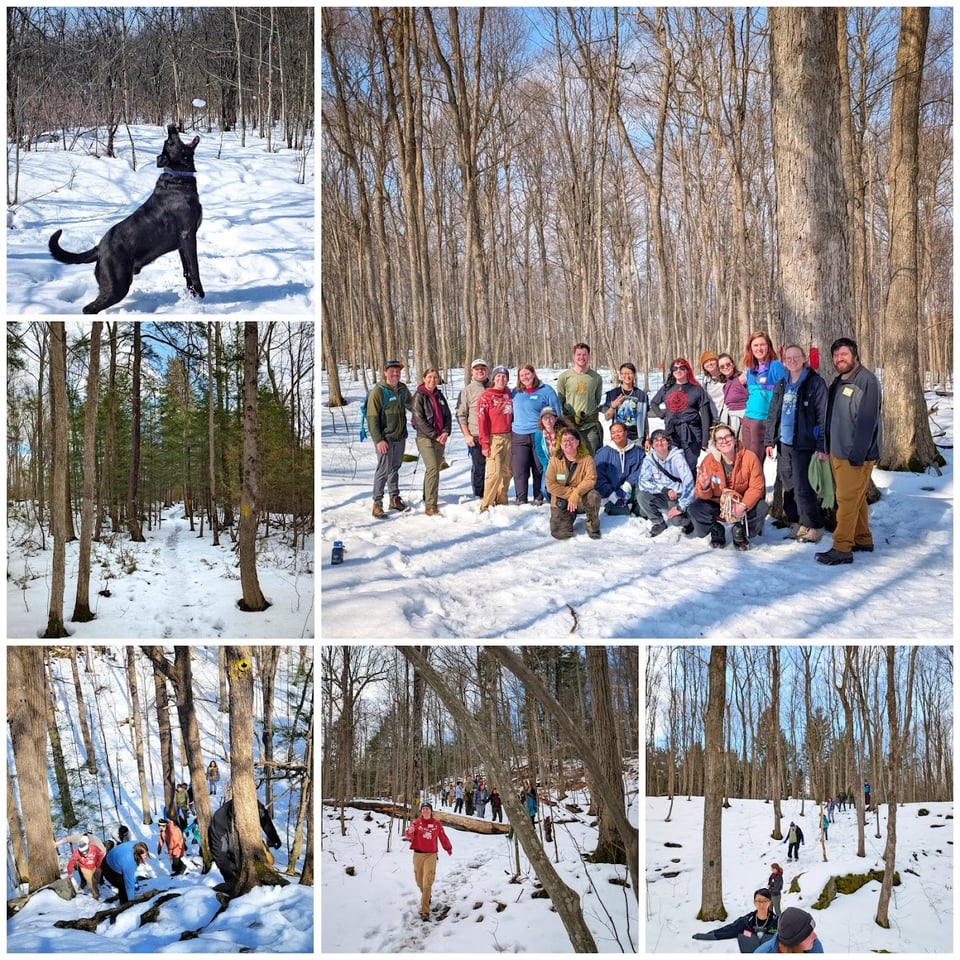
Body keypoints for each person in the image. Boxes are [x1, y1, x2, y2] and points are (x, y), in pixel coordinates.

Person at [816, 336, 882, 565]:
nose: (839, 359)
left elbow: (868, 421)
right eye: (835, 355)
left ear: (855, 356)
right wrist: (826, 446)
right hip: (836, 451)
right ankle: (862, 538)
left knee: (846, 499)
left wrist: (857, 454)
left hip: (855, 455)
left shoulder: (867, 381)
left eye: (843, 354)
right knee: (856, 497)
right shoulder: (837, 382)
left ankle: (842, 547)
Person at [764, 345, 828, 544]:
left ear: (803, 359)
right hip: (784, 443)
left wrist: (822, 443)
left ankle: (814, 525)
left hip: (804, 443)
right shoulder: (782, 383)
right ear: (784, 361)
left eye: (796, 357)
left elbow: (823, 414)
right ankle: (796, 521)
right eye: (788, 358)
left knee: (803, 486)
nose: (792, 361)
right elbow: (774, 412)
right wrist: (769, 440)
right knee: (788, 485)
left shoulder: (814, 382)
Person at [689, 424, 767, 550]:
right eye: (720, 439)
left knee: (762, 507)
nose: (724, 441)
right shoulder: (709, 461)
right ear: (715, 444)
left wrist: (744, 505)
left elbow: (757, 487)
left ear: (735, 439)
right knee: (695, 508)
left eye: (727, 437)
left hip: (740, 502)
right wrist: (704, 486)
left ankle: (739, 531)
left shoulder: (750, 457)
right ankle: (715, 529)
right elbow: (702, 495)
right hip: (718, 503)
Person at [367, 359, 414, 519]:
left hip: (400, 436)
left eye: (398, 371)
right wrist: (379, 440)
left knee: (395, 467)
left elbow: (411, 404)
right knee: (383, 469)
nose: (395, 374)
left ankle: (394, 498)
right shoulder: (378, 392)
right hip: (384, 438)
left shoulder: (402, 388)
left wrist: (419, 414)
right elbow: (372, 418)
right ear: (385, 372)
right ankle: (377, 503)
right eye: (392, 371)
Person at [649, 357, 712, 473]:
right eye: (675, 368)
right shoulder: (666, 388)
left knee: (690, 465)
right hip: (672, 433)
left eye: (682, 368)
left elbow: (705, 416)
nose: (678, 370)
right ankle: (677, 490)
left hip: (692, 432)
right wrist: (662, 415)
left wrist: (705, 439)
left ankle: (690, 489)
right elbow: (654, 403)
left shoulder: (697, 389)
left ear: (687, 370)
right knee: (674, 465)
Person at [511, 365, 561, 505]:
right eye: (522, 375)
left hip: (539, 433)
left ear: (534, 374)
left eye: (528, 373)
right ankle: (521, 498)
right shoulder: (515, 393)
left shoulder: (546, 391)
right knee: (520, 469)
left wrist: (555, 432)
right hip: (519, 434)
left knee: (539, 466)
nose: (525, 377)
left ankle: (538, 497)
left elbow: (557, 412)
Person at [636, 429, 696, 537]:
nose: (660, 443)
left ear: (668, 442)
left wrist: (681, 507)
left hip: (678, 496)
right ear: (652, 445)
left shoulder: (677, 457)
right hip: (663, 494)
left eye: (663, 440)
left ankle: (687, 520)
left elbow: (688, 481)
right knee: (642, 496)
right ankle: (658, 522)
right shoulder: (649, 460)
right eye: (656, 441)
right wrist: (664, 490)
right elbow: (643, 482)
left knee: (676, 521)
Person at [545, 428, 602, 540]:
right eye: (564, 440)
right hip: (562, 500)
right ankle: (569, 517)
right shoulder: (554, 461)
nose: (568, 442)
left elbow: (591, 480)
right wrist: (571, 495)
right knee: (560, 534)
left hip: (581, 499)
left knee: (593, 496)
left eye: (571, 439)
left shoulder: (587, 459)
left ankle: (592, 526)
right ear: (560, 445)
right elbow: (550, 485)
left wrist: (577, 494)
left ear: (578, 442)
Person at [739, 331, 786, 464]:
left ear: (768, 346)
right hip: (748, 418)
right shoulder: (751, 369)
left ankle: (757, 485)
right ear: (750, 348)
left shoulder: (775, 366)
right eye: (755, 345)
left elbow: (782, 395)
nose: (759, 349)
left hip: (762, 421)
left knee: (755, 462)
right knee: (746, 461)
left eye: (762, 345)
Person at [412, 368, 452, 516]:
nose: (432, 380)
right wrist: (435, 435)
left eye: (435, 377)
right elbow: (419, 419)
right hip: (425, 437)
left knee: (433, 468)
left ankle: (426, 495)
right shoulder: (419, 396)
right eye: (429, 377)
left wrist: (446, 432)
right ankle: (430, 505)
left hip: (440, 437)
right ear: (424, 378)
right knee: (433, 468)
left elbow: (447, 415)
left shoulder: (439, 395)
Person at [404, 802, 452, 921]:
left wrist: (448, 848)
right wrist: (409, 832)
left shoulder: (436, 824)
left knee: (427, 882)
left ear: (431, 811)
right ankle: (427, 895)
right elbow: (409, 836)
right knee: (419, 881)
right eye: (423, 809)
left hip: (431, 855)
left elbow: (442, 836)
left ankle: (425, 911)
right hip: (418, 854)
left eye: (427, 809)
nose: (425, 811)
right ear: (421, 811)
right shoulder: (417, 823)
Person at [691, 888, 779, 952]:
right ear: (754, 902)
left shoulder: (778, 923)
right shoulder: (746, 921)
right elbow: (729, 930)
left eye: (765, 901)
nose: (761, 904)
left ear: (770, 903)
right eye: (759, 901)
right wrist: (710, 935)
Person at [477, 365, 514, 512]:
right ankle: (486, 504)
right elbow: (482, 421)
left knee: (507, 472)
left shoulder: (509, 395)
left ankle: (501, 500)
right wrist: (484, 443)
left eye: (504, 377)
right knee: (495, 472)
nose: (501, 379)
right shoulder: (486, 397)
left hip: (509, 436)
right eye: (498, 376)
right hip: (494, 438)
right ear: (493, 378)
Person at [556, 342, 604, 454]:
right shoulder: (565, 377)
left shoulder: (596, 378)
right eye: (578, 354)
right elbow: (560, 400)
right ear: (574, 356)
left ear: (589, 356)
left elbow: (597, 399)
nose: (581, 357)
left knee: (592, 455)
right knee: (571, 455)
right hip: (570, 425)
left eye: (584, 355)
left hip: (590, 425)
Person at [594, 421, 644, 517]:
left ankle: (636, 507)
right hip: (611, 493)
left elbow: (643, 470)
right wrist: (611, 494)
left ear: (626, 433)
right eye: (613, 432)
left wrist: (629, 484)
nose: (616, 434)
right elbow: (598, 477)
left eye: (619, 431)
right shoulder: (603, 453)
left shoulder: (638, 451)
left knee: (643, 511)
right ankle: (617, 506)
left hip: (632, 489)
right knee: (621, 514)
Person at [455, 359, 490, 498]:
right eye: (477, 369)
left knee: (494, 468)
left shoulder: (493, 387)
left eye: (482, 368)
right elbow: (461, 414)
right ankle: (479, 495)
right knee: (479, 467)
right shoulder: (467, 391)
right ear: (472, 372)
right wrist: (467, 435)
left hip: (494, 435)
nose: (480, 371)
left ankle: (493, 493)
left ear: (487, 371)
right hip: (476, 435)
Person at [601, 362, 650, 444]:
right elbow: (607, 417)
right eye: (624, 373)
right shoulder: (613, 394)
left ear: (634, 375)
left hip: (637, 438)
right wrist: (613, 407)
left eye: (630, 373)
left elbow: (645, 419)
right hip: (618, 437)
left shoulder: (642, 395)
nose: (627, 376)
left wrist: (647, 439)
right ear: (620, 375)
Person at [754, 906, 823, 953]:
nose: (815, 936)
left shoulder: (815, 945)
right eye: (807, 934)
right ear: (794, 942)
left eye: (812, 931)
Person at [65, 834, 105, 900]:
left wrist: (98, 866)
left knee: (96, 879)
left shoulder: (94, 848)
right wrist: (69, 873)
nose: (85, 854)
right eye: (82, 853)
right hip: (85, 868)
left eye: (86, 852)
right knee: (91, 881)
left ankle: (96, 884)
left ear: (88, 847)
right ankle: (96, 895)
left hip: (94, 865)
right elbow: (71, 864)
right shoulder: (76, 853)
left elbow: (101, 855)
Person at [534, 407, 561, 501]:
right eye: (545, 418)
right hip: (549, 465)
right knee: (544, 489)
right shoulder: (539, 434)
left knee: (562, 483)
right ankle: (553, 503)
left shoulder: (562, 432)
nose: (548, 421)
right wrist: (547, 465)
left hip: (562, 466)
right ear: (541, 420)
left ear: (555, 418)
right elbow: (540, 452)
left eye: (550, 417)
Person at [719, 353, 748, 436]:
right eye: (722, 366)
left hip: (744, 419)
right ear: (720, 370)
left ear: (733, 364)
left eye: (728, 364)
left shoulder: (742, 378)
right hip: (731, 420)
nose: (725, 367)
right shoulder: (726, 384)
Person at [699, 351, 726, 425]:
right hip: (714, 420)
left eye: (712, 360)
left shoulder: (727, 375)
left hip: (728, 417)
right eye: (706, 362)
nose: (709, 363)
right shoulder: (705, 382)